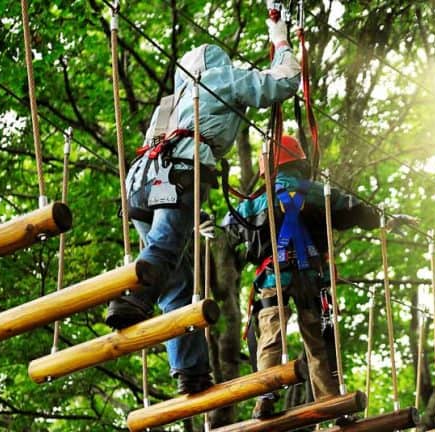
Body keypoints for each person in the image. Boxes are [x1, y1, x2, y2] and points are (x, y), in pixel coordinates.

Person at [104, 18, 301, 395]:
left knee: (177, 279)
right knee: (165, 246)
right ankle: (133, 296)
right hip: (179, 172)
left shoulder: (170, 102)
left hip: (140, 184)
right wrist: (280, 39)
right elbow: (284, 81)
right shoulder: (221, 78)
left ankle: (190, 371)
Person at [222, 135, 416, 418]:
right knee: (319, 342)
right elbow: (357, 211)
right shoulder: (321, 193)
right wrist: (386, 218)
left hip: (274, 279)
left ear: (267, 170)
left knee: (271, 336)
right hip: (313, 279)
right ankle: (330, 401)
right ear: (301, 164)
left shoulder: (253, 205)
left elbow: (227, 232)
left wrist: (204, 227)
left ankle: (266, 394)